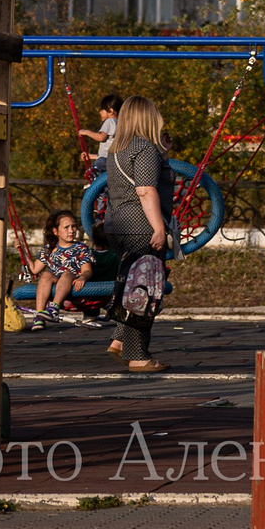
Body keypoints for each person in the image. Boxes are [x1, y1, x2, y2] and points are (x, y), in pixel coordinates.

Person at [99, 95, 175, 373]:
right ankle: (138, 356)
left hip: (117, 223)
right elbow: (145, 189)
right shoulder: (143, 148)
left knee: (131, 283)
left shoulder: (117, 148)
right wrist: (158, 227)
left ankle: (120, 340)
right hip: (140, 225)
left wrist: (163, 155)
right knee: (144, 289)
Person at [27, 212, 96, 330]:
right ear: (56, 231)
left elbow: (87, 270)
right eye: (66, 227)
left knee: (66, 274)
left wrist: (82, 278)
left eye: (73, 226)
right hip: (56, 282)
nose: (71, 230)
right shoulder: (49, 249)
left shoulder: (81, 248)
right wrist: (23, 252)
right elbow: (34, 269)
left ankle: (54, 308)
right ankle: (39, 315)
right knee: (46, 275)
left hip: (72, 283)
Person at [78, 92, 122, 180]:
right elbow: (107, 151)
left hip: (104, 160)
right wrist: (90, 156)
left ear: (111, 111)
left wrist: (86, 132)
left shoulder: (109, 121)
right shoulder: (120, 123)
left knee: (92, 172)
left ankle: (92, 185)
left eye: (102, 109)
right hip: (114, 160)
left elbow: (100, 137)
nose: (100, 112)